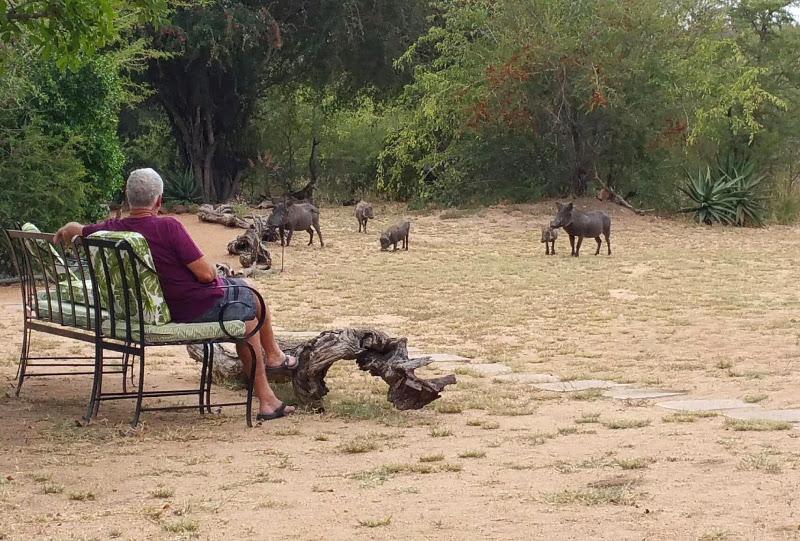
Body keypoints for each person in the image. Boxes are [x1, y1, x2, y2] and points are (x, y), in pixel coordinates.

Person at [54, 168, 296, 421]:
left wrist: (71, 228)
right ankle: (272, 368)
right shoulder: (168, 226)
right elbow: (204, 274)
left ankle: (272, 373)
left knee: (246, 306)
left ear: (128, 199)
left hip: (156, 308)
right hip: (190, 307)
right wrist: (214, 269)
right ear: (159, 200)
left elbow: (78, 230)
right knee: (250, 299)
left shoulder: (112, 229)